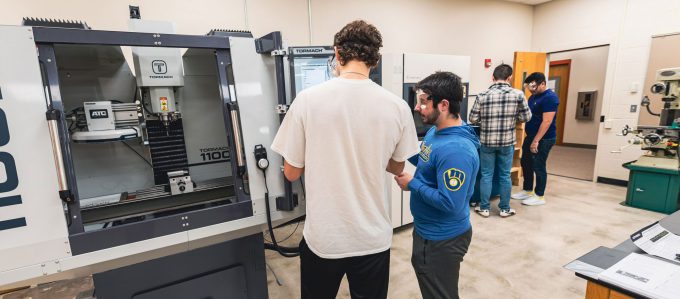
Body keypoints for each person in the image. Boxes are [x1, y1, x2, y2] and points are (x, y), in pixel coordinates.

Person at [271, 20, 419, 299]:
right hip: (373, 238)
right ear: (374, 60)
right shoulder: (397, 107)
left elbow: (291, 173)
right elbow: (398, 166)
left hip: (325, 238)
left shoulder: (307, 100)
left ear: (337, 54)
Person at [394, 72, 480, 299]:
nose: (416, 107)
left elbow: (450, 203)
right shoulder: (436, 132)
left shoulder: (456, 150)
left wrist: (413, 184)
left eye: (423, 102)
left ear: (443, 105)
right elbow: (426, 159)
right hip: (428, 232)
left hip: (441, 240)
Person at [468, 64, 531, 218]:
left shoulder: (482, 95)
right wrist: (512, 118)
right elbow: (526, 117)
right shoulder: (518, 94)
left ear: (493, 77)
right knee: (504, 175)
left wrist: (487, 120)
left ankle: (484, 208)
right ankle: (504, 208)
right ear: (509, 78)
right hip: (507, 142)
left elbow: (473, 118)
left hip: (487, 142)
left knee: (486, 175)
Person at [511, 72, 559, 206]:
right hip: (531, 136)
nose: (531, 89)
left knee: (539, 165)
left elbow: (547, 121)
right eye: (529, 87)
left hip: (544, 138)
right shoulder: (533, 97)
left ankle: (539, 195)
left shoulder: (550, 98)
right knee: (525, 162)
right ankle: (527, 190)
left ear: (543, 83)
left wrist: (536, 140)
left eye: (534, 86)